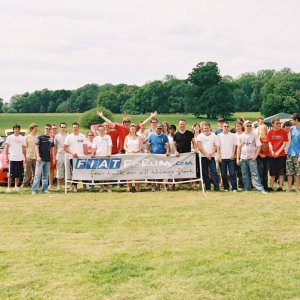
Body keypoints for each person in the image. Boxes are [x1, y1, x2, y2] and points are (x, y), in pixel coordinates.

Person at [236, 120, 267, 193]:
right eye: (247, 125)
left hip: (252, 158)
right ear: (244, 126)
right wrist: (238, 158)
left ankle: (260, 189)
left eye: (250, 126)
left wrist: (255, 156)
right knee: (245, 174)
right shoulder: (241, 136)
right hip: (243, 158)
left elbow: (259, 146)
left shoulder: (255, 136)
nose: (249, 127)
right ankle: (247, 189)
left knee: (255, 174)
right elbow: (239, 148)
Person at [173, 119, 198, 189]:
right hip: (179, 155)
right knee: (180, 170)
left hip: (188, 155)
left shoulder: (190, 133)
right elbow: (174, 145)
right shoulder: (176, 135)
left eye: (183, 124)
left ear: (185, 125)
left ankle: (191, 186)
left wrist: (195, 149)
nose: (182, 125)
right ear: (179, 125)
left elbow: (194, 143)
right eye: (181, 124)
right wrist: (175, 151)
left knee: (189, 170)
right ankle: (180, 186)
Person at [145, 123, 170, 191]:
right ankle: (154, 185)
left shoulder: (164, 136)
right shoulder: (151, 136)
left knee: (160, 171)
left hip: (162, 156)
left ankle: (158, 185)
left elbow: (167, 145)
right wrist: (147, 150)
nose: (159, 130)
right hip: (153, 156)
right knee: (153, 171)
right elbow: (148, 145)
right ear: (155, 128)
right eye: (158, 128)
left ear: (161, 129)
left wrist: (168, 151)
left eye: (160, 129)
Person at [64, 122, 88, 192]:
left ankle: (84, 186)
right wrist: (72, 153)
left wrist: (86, 156)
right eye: (74, 127)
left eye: (76, 127)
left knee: (83, 171)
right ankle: (75, 187)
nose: (75, 128)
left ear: (78, 128)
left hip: (82, 157)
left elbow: (85, 147)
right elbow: (65, 147)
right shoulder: (69, 137)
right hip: (73, 158)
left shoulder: (82, 136)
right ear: (72, 128)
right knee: (74, 172)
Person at [31, 124, 55, 194]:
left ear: (51, 130)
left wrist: (53, 158)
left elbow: (52, 149)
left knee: (45, 175)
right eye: (46, 128)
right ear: (44, 129)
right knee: (37, 175)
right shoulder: (40, 137)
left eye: (49, 129)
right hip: (40, 159)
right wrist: (38, 156)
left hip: (48, 159)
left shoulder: (51, 138)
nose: (48, 130)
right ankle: (34, 190)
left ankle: (44, 189)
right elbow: (36, 147)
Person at [197, 122, 219, 192]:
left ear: (210, 128)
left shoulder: (214, 136)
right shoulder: (200, 136)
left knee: (214, 172)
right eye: (204, 128)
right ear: (202, 129)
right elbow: (199, 147)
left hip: (212, 157)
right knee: (205, 173)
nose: (206, 129)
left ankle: (216, 188)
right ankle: (208, 187)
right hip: (203, 157)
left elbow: (216, 146)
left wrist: (211, 154)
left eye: (207, 128)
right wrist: (206, 154)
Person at [267, 117, 288, 191]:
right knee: (272, 172)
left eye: (279, 123)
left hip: (281, 155)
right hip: (271, 155)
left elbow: (284, 144)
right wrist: (272, 151)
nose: (279, 124)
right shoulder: (269, 132)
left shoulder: (284, 132)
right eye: (277, 123)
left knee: (281, 172)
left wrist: (278, 152)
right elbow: (269, 143)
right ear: (272, 124)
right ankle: (271, 187)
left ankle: (280, 187)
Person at [216, 122, 237, 192]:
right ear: (222, 127)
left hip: (231, 158)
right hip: (222, 158)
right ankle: (226, 187)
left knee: (232, 173)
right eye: (224, 126)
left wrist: (233, 154)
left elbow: (234, 146)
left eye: (227, 126)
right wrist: (219, 156)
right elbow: (218, 147)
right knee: (223, 174)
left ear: (229, 127)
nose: (226, 127)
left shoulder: (233, 135)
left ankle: (234, 188)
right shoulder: (219, 136)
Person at [91, 124, 113, 192]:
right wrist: (93, 153)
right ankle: (101, 188)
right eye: (100, 130)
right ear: (98, 131)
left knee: (108, 173)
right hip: (98, 157)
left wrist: (109, 153)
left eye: (102, 130)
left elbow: (110, 145)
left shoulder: (108, 137)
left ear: (104, 130)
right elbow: (94, 147)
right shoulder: (96, 138)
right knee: (100, 173)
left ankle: (108, 188)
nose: (101, 131)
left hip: (107, 157)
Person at [5, 124, 25, 193]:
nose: (16, 130)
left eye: (18, 129)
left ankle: (16, 186)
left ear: (19, 130)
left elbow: (23, 148)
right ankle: (9, 187)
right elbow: (6, 148)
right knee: (11, 174)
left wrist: (24, 156)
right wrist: (6, 157)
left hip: (20, 158)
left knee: (18, 174)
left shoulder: (22, 138)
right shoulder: (9, 137)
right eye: (15, 129)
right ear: (13, 130)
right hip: (12, 158)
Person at [124, 124, 143, 192]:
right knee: (128, 171)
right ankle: (129, 187)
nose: (133, 130)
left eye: (134, 129)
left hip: (137, 156)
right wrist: (129, 150)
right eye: (131, 129)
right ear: (129, 129)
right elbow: (125, 146)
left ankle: (137, 187)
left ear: (136, 130)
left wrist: (136, 151)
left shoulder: (139, 137)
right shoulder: (127, 137)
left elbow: (140, 146)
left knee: (136, 172)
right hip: (128, 156)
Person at [286, 113, 300, 193]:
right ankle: (289, 188)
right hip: (290, 153)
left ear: (296, 120)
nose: (291, 121)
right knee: (289, 172)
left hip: (298, 154)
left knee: (298, 173)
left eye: (292, 119)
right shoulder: (291, 128)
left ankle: (297, 188)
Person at [22, 123, 39, 187]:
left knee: (36, 172)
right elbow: (24, 147)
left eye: (37, 128)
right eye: (35, 128)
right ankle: (24, 184)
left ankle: (33, 184)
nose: (37, 129)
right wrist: (25, 157)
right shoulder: (27, 137)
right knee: (27, 172)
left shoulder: (38, 137)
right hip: (28, 157)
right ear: (31, 129)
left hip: (36, 157)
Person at [54, 122, 68, 191]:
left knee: (68, 170)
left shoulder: (69, 136)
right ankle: (59, 186)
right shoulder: (57, 136)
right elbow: (55, 147)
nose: (63, 128)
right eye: (62, 127)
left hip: (67, 155)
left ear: (66, 128)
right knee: (59, 170)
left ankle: (70, 185)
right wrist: (54, 157)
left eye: (64, 127)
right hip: (59, 155)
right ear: (60, 128)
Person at [257, 124, 270, 191]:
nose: (266, 130)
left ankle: (266, 186)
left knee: (265, 172)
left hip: (267, 157)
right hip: (260, 157)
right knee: (260, 172)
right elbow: (255, 148)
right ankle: (261, 187)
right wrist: (260, 154)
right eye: (265, 129)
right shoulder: (258, 138)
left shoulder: (268, 136)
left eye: (266, 128)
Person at [234, 122, 244, 190]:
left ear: (242, 127)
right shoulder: (234, 135)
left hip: (244, 155)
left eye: (239, 126)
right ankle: (240, 185)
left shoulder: (244, 134)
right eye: (237, 126)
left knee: (245, 171)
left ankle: (249, 184)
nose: (238, 127)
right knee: (239, 171)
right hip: (236, 156)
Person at [48, 124, 58, 189]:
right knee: (51, 170)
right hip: (51, 155)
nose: (54, 130)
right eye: (53, 128)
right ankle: (50, 184)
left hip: (59, 155)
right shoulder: (49, 137)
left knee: (58, 170)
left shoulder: (59, 136)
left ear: (57, 129)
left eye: (55, 128)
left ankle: (58, 184)